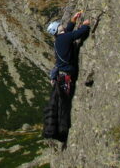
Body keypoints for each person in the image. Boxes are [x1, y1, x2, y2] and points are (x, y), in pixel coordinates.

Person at [43, 12, 90, 145]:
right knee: (64, 103)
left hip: (62, 76)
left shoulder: (60, 39)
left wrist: (73, 20)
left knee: (59, 101)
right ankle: (61, 131)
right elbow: (78, 33)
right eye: (60, 25)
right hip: (66, 76)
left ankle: (58, 128)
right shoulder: (65, 38)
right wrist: (86, 25)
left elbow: (68, 31)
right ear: (58, 29)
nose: (62, 26)